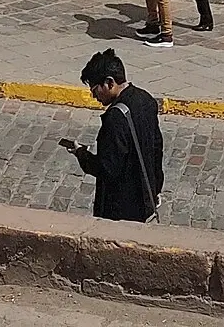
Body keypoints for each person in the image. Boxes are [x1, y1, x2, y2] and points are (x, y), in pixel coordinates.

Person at [67, 49, 164, 222]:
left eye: (95, 89)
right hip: (146, 196)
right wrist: (155, 189)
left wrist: (82, 154)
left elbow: (107, 168)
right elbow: (156, 149)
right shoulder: (146, 99)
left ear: (109, 83)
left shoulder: (115, 118)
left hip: (122, 207)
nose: (94, 96)